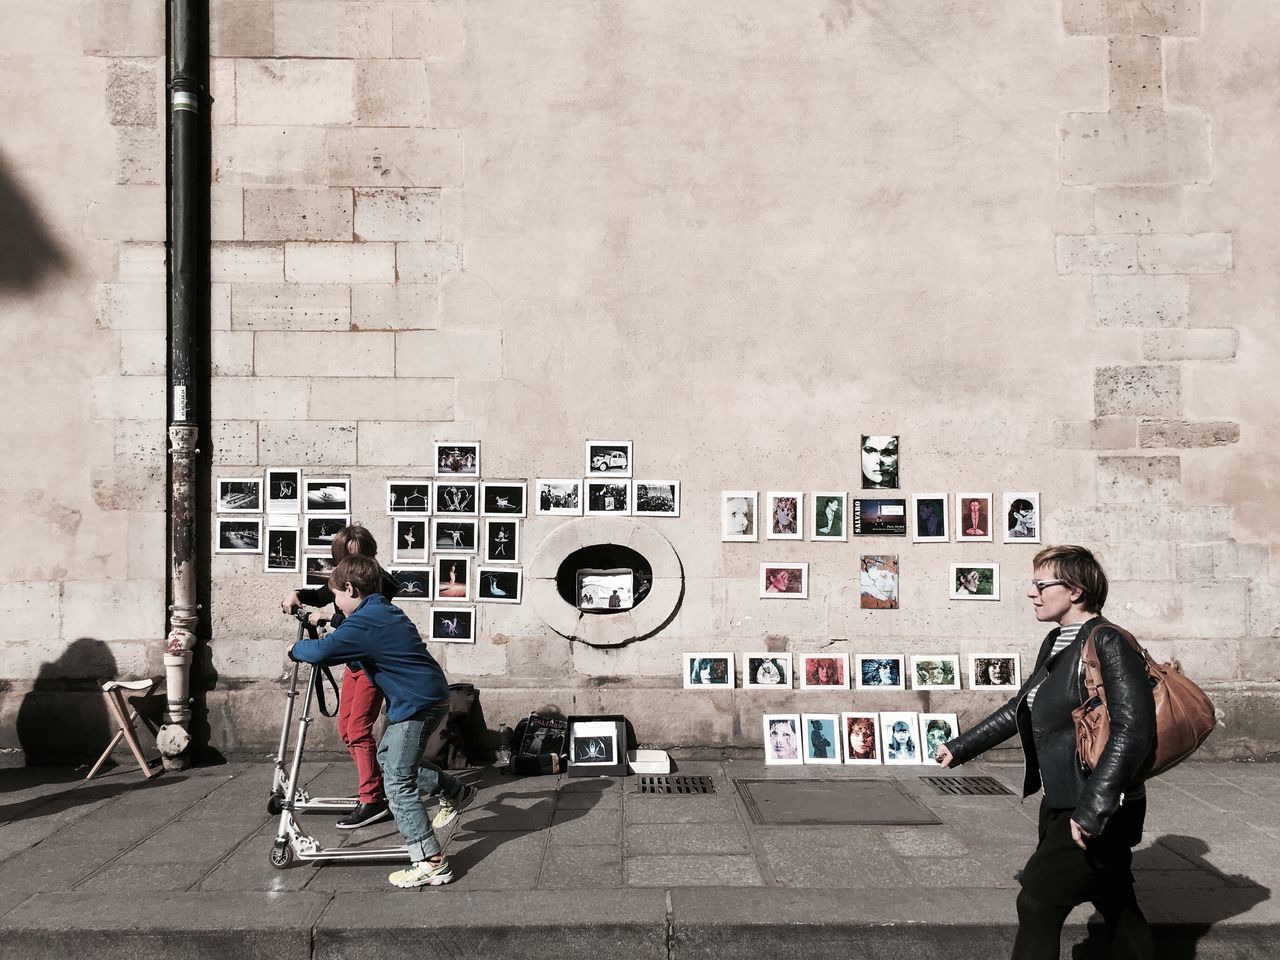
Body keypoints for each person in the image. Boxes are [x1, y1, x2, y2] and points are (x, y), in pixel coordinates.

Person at [935, 545, 1156, 960]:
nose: (1032, 593)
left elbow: (1133, 731)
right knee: (1115, 900)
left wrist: (1093, 808)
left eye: (1041, 584)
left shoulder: (1108, 642)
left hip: (1095, 802)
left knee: (1036, 904)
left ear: (1074, 591)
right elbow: (1022, 706)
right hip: (1062, 796)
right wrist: (960, 747)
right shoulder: (1057, 640)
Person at [289, 555, 478, 889]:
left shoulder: (365, 622)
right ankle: (454, 791)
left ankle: (430, 861)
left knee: (398, 780)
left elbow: (322, 652)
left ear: (350, 588)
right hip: (425, 697)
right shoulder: (381, 611)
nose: (336, 604)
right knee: (389, 758)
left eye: (336, 596)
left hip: (418, 703)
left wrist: (297, 648)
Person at [281, 525, 398, 830]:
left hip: (373, 667)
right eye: (345, 563)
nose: (352, 571)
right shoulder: (341, 579)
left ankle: (372, 798)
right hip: (353, 665)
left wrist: (329, 619)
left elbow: (365, 623)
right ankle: (373, 786)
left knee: (358, 730)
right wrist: (296, 594)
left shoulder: (380, 584)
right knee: (346, 729)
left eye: (359, 560)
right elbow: (321, 595)